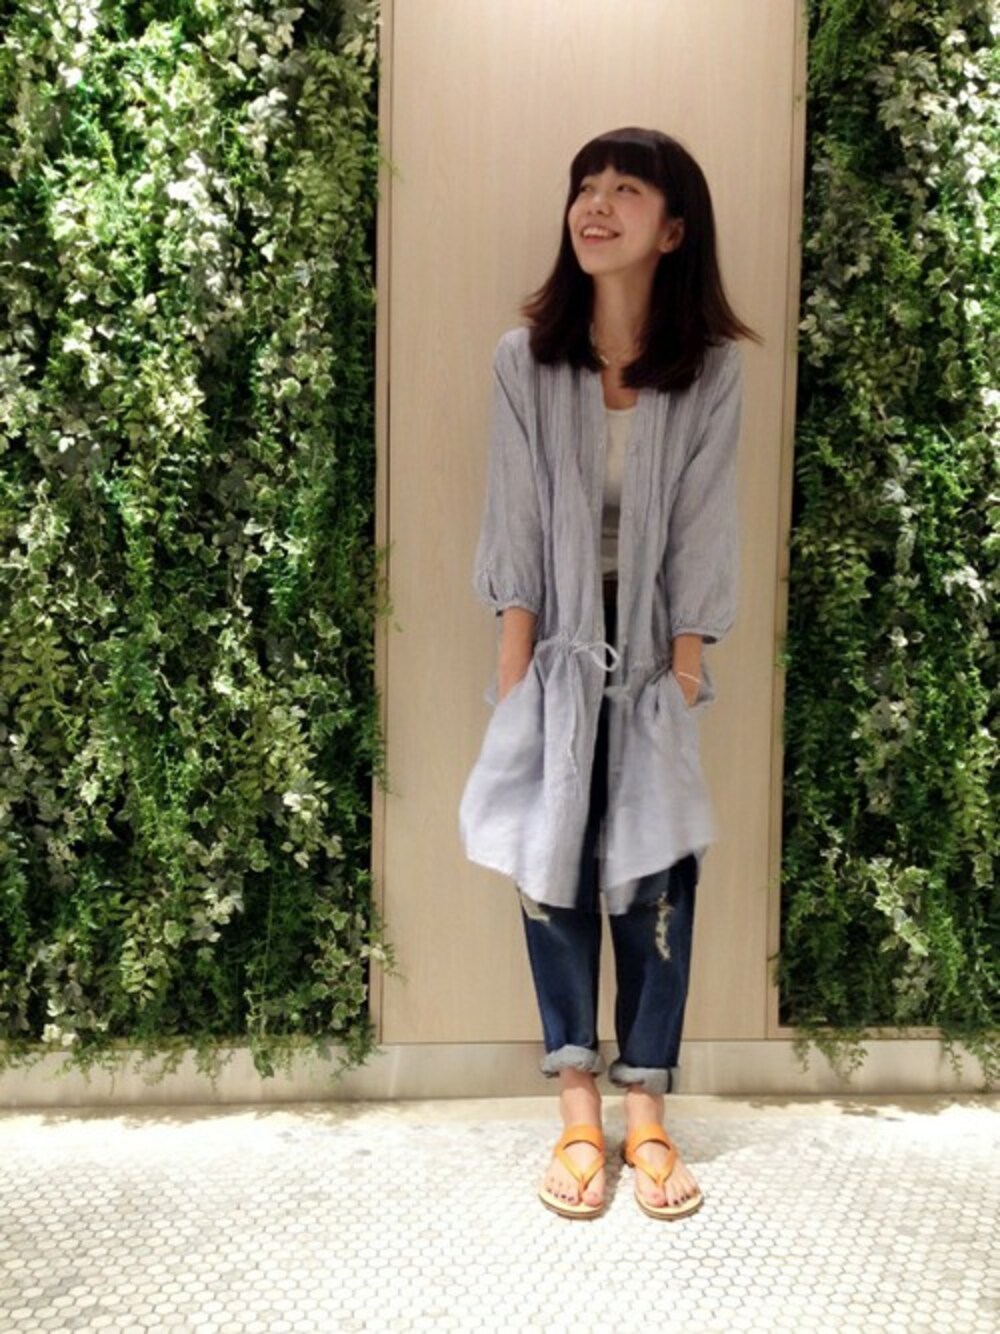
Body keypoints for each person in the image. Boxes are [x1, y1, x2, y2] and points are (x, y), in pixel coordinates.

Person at [459, 127, 758, 1220]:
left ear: (672, 230)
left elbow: (705, 524)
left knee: (656, 875)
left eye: (626, 189)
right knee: (552, 867)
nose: (596, 204)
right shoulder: (525, 359)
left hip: (655, 655)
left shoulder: (710, 370)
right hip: (552, 651)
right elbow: (515, 518)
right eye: (585, 186)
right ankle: (576, 1102)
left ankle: (647, 1107)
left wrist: (683, 672)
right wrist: (515, 678)